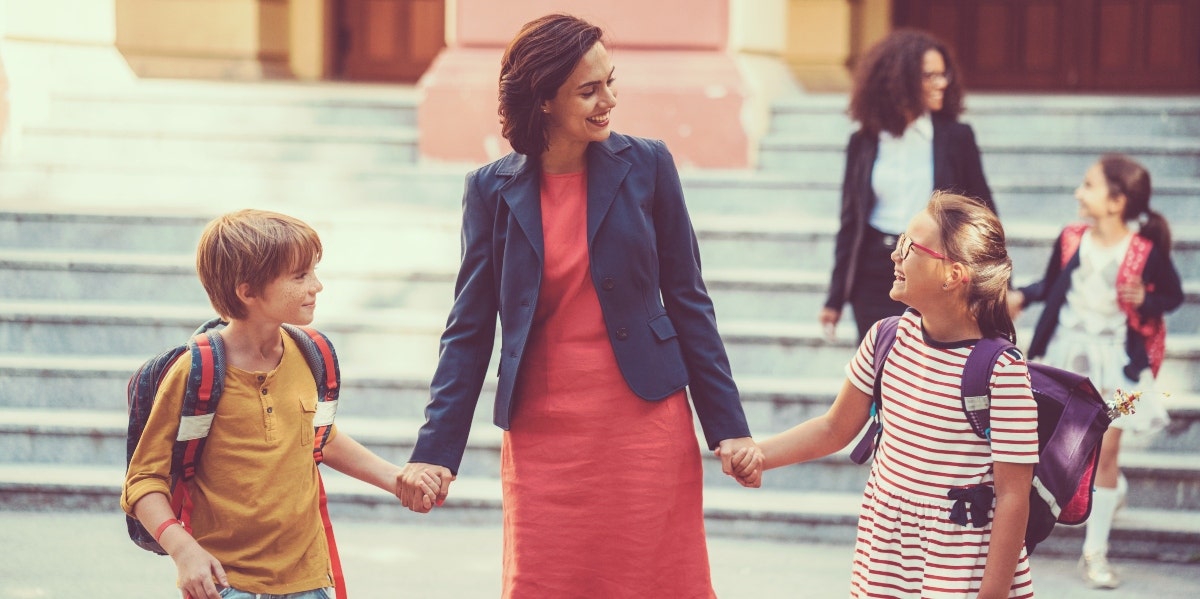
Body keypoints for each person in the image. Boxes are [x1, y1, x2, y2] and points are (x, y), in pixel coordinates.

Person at [394, 13, 760, 598]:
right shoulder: (489, 189)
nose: (608, 100)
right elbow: (467, 330)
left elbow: (690, 301)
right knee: (545, 581)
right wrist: (435, 452)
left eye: (610, 82)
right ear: (543, 99)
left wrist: (729, 429)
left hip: (644, 427)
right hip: (544, 433)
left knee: (652, 580)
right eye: (589, 90)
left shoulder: (648, 165)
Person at [122, 209, 436, 599]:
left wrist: (394, 479)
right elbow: (142, 480)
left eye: (314, 272)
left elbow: (320, 438)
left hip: (310, 581)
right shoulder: (194, 373)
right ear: (248, 291)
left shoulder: (311, 355)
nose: (316, 286)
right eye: (300, 276)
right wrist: (184, 550)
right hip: (226, 583)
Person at [743, 192, 1038, 598]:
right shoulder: (886, 337)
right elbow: (834, 428)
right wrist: (761, 455)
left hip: (959, 562)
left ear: (952, 276)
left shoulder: (1001, 372)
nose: (895, 257)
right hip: (888, 553)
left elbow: (1012, 497)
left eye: (908, 248)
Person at [1007, 154, 1181, 589]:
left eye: (1088, 185)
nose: (1078, 193)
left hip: (1121, 366)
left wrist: (1145, 297)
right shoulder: (1071, 238)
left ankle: (1094, 554)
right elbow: (1052, 284)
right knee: (1046, 443)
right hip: (1066, 358)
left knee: (1107, 450)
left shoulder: (1145, 251)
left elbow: (1173, 296)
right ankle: (1024, 537)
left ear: (1116, 200)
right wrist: (1022, 298)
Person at [821, 29, 996, 342]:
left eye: (944, 75)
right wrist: (835, 297)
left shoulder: (957, 138)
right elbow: (850, 222)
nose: (942, 83)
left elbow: (983, 214)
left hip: (934, 268)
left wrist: (990, 284)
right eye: (930, 76)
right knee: (879, 371)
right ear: (898, 80)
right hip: (874, 272)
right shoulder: (863, 142)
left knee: (927, 373)